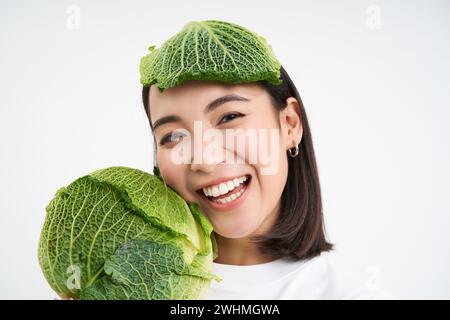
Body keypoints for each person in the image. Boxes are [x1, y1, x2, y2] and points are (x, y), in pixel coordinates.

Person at [140, 20, 392, 299]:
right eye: (173, 136)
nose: (204, 159)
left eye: (229, 117)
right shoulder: (131, 288)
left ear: (290, 123)